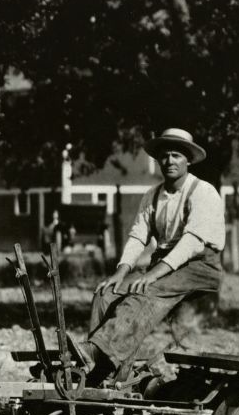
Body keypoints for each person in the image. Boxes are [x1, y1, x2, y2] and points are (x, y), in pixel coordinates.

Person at [85, 128, 226, 385]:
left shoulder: (203, 192)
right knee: (107, 293)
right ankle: (111, 373)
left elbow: (191, 243)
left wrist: (151, 274)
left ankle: (101, 358)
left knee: (144, 293)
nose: (169, 161)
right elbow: (139, 235)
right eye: (164, 156)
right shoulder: (152, 195)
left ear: (188, 160)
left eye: (176, 156)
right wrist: (121, 272)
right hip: (165, 264)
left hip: (199, 265)